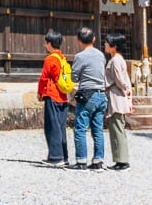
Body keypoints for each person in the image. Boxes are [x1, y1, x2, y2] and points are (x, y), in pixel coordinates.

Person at [70, 26, 107, 169]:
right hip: (101, 95)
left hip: (87, 95)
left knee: (80, 128)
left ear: (79, 41)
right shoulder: (101, 55)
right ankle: (98, 160)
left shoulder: (80, 57)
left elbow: (74, 77)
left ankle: (81, 161)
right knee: (97, 129)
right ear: (94, 39)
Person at [37, 29, 70, 166]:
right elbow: (62, 77)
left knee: (52, 126)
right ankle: (64, 155)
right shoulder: (62, 59)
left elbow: (44, 78)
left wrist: (40, 92)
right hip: (63, 95)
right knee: (61, 126)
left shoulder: (50, 59)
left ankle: (56, 157)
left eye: (46, 43)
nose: (45, 45)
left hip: (52, 94)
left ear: (50, 43)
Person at [103, 34, 132, 170]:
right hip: (118, 95)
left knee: (117, 129)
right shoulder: (119, 59)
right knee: (118, 128)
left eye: (107, 43)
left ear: (114, 46)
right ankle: (121, 159)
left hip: (115, 95)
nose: (105, 45)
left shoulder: (115, 60)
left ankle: (122, 161)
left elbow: (120, 80)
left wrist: (124, 89)